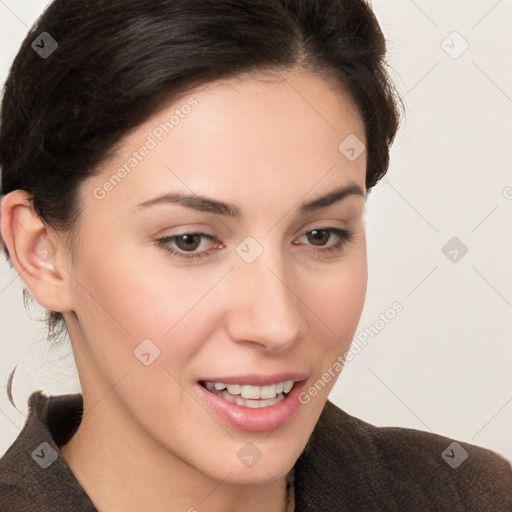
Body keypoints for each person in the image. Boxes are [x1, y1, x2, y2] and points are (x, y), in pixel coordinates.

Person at [0, 0, 511, 511]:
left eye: (320, 235)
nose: (277, 325)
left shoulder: (472, 497)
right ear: (41, 252)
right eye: (190, 241)